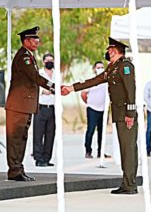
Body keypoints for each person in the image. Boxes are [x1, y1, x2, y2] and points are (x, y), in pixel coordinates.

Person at [62, 37, 138, 195]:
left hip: (126, 115)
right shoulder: (113, 68)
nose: (108, 52)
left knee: (128, 149)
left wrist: (130, 114)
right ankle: (126, 182)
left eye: (111, 49)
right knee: (125, 149)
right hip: (119, 114)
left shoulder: (125, 66)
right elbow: (95, 81)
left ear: (118, 50)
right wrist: (72, 88)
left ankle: (130, 185)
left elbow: (131, 91)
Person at [5, 26, 54, 181]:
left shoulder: (29, 56)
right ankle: (14, 170)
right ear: (26, 41)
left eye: (37, 39)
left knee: (21, 138)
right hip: (18, 105)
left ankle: (18, 169)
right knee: (15, 139)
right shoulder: (23, 57)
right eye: (34, 39)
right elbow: (35, 77)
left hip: (24, 105)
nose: (37, 42)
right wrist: (53, 87)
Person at [80, 61, 110, 159]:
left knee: (102, 132)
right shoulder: (91, 80)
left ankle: (100, 152)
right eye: (98, 67)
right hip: (92, 109)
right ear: (94, 69)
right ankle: (88, 151)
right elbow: (83, 93)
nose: (100, 69)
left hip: (103, 110)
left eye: (102, 67)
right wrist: (89, 102)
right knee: (91, 130)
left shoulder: (107, 80)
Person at [33, 53, 56, 167]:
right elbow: (34, 88)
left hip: (52, 107)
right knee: (38, 134)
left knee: (50, 134)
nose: (50, 62)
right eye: (47, 60)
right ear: (43, 62)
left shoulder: (56, 74)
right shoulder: (39, 74)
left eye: (51, 60)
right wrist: (43, 91)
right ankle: (38, 158)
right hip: (40, 107)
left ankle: (47, 158)